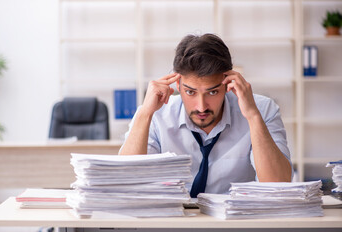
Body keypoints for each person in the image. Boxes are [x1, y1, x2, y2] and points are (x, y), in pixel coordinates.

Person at [119, 33, 293, 196]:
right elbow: (125, 182)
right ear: (177, 84)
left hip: (235, 224)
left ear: (228, 84)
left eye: (212, 92)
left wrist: (253, 117)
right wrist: (144, 115)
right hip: (171, 221)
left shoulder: (262, 110)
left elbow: (278, 184)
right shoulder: (157, 114)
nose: (201, 107)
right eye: (190, 92)